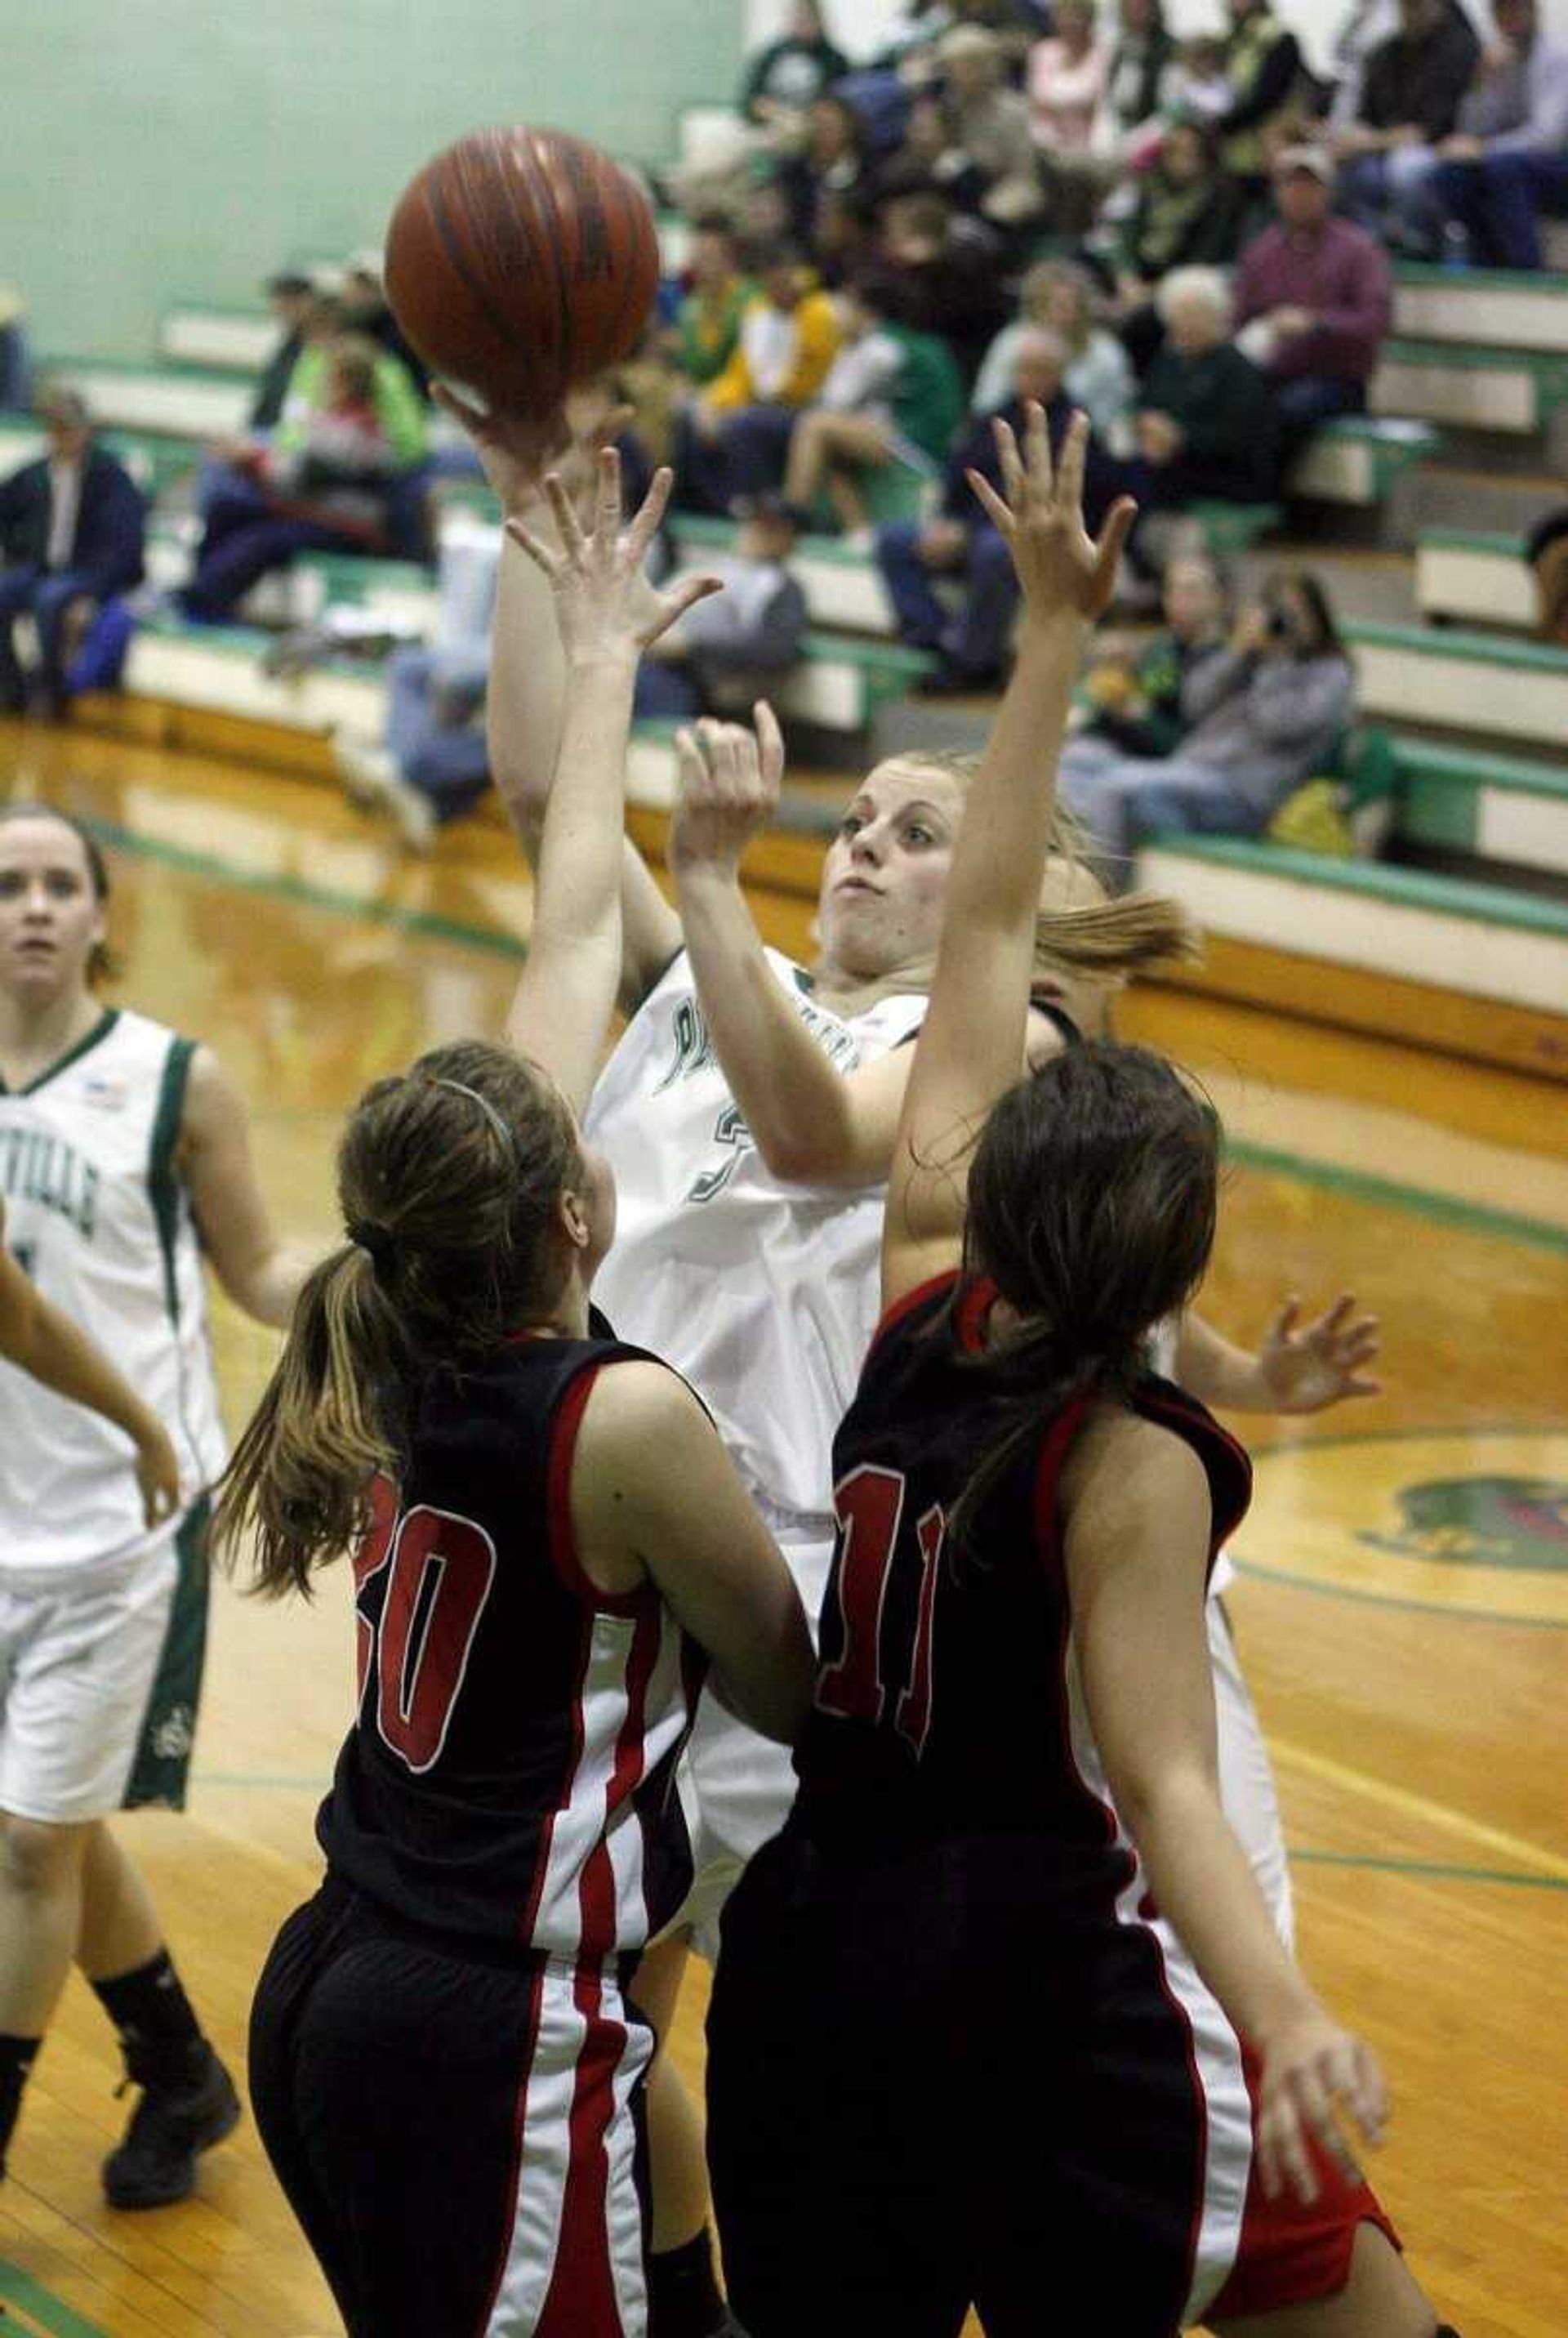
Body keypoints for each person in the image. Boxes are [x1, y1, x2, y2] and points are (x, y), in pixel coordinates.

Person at [703, 410, 1450, 2338]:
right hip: (1021, 1955)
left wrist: (1047, 642)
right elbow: (1165, 1776)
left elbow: (991, 951)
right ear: (1158, 1273)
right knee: (1278, 2252)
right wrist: (1281, 2005)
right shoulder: (1125, 1456)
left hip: (816, 1928)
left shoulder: (912, 1299)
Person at [454, 388, 1180, 2338]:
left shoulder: (1002, 1052)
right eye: (850, 818)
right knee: (603, 2026)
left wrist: (704, 887)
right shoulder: (743, 981)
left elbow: (806, 1135)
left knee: (769, 2062)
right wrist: (544, 546)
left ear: (1006, 880)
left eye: (916, 827)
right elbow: (547, 789)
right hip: (611, 1546)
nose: (859, 842)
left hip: (803, 1608)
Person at [234, 453, 814, 2338]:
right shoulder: (618, 1421)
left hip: (334, 1971)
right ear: (577, 1207)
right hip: (492, 2030)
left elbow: (574, 927)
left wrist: (595, 651)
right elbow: (791, 1673)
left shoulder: (382, 1319)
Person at [0, 801, 303, 2208]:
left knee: (24, 1840)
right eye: (9, 885)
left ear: (106, 916)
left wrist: (393, 1276)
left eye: (63, 884)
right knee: (42, 1819)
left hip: (124, 1512)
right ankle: (177, 2060)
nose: (36, 908)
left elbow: (256, 1273)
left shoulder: (178, 1078)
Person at [1060, 568, 1356, 882]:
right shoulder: (1251, 656)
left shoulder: (1331, 674)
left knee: (1115, 791)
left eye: (1296, 615)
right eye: (1279, 613)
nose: (1287, 626)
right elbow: (1196, 701)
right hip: (1195, 773)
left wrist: (1276, 663)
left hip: (1245, 795)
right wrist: (1238, 650)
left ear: (1318, 617)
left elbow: (1277, 724)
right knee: (1069, 773)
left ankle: (1101, 907)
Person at [876, 328, 1115, 689]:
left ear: (1058, 375)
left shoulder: (1075, 427)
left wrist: (966, 531)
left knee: (995, 551)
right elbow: (959, 475)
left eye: (1038, 370)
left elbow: (1046, 499)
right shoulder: (993, 417)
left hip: (1033, 541)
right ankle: (929, 636)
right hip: (970, 527)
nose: (1028, 378)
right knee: (893, 539)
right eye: (1023, 369)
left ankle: (973, 663)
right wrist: (945, 524)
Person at [779, 272, 965, 535]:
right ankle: (860, 531)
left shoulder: (883, 347)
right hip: (898, 431)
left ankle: (788, 518)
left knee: (814, 426)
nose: (836, 314)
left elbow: (836, 403)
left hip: (919, 443)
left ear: (866, 311)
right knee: (828, 446)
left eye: (844, 305)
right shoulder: (891, 341)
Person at [0, 387, 145, 717]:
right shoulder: (34, 473)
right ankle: (11, 687)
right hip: (41, 567)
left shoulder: (111, 478)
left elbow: (125, 546)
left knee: (50, 600)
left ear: (86, 430)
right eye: (55, 428)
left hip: (87, 573)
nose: (61, 436)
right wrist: (14, 550)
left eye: (68, 428)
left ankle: (52, 692)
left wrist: (95, 594)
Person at [1233, 148, 1393, 446]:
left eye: (1310, 186)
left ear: (1328, 193)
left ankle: (1266, 489)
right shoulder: (1262, 251)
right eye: (1291, 185)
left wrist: (1316, 322)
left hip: (1336, 379)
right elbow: (1239, 316)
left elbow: (1376, 320)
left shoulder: (1358, 250)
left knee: (1287, 411)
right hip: (1272, 370)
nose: (1300, 194)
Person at [674, 246, 841, 514]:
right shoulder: (758, 312)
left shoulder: (820, 313)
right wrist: (713, 401)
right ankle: (707, 506)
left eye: (784, 281)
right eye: (771, 283)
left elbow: (807, 381)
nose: (778, 290)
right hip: (761, 403)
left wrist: (749, 402)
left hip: (807, 407)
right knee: (692, 414)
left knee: (745, 422)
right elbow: (740, 373)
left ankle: (763, 506)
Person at [637, 489, 809, 722]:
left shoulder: (782, 586)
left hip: (684, 675)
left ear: (789, 539)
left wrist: (691, 646)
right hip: (639, 653)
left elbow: (776, 648)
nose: (753, 531)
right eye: (751, 522)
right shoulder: (714, 563)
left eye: (767, 527)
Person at [1125, 266, 1281, 511]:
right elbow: (1146, 404)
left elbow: (1239, 437)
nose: (1186, 323)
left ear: (1217, 316)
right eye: (1180, 315)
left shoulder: (1237, 368)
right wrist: (1147, 425)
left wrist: (1179, 438)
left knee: (1144, 476)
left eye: (1196, 314)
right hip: (1167, 457)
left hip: (1225, 470)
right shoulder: (1168, 361)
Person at [1428, 0, 1568, 267]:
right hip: (1510, 161)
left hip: (1556, 164)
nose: (1508, 18)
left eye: (1515, 9)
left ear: (1533, 11)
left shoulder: (1560, 57)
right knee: (1449, 175)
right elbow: (1472, 129)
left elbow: (1549, 138)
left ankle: (1526, 271)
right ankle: (1484, 263)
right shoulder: (1497, 59)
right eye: (1501, 11)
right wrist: (1481, 82)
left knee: (1503, 168)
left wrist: (1484, 150)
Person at [1331, 0, 1481, 243]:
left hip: (1441, 149)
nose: (1411, 11)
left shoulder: (1459, 49)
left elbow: (1430, 130)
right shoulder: (1385, 52)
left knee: (1405, 169)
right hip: (1385, 147)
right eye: (1406, 6)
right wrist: (1348, 141)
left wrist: (1369, 142)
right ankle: (1367, 245)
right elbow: (1365, 117)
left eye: (1418, 5)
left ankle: (1415, 242)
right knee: (1354, 171)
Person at [1067, 542, 1231, 764]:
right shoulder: (1160, 648)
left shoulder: (1230, 662)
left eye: (1191, 591)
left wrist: (1140, 715)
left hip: (1177, 764)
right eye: (1171, 591)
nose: (1178, 601)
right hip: (1116, 749)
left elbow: (1192, 743)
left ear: (1219, 598)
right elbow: (1105, 699)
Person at [1113, 118, 1254, 374]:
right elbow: (1126, 234)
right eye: (1174, 151)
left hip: (1187, 279)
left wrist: (1151, 291)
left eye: (1190, 152)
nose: (1181, 159)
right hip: (1139, 276)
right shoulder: (1148, 184)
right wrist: (1126, 277)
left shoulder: (1220, 196)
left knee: (1143, 320)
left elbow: (1205, 256)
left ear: (1205, 155)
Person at [971, 259, 1134, 446]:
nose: (1062, 315)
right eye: (1053, 305)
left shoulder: (1105, 353)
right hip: (1017, 438)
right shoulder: (1012, 343)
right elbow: (987, 403)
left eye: (1070, 305)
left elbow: (1115, 415)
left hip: (1087, 445)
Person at [938, 24, 1048, 225]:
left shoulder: (1014, 110)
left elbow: (1024, 176)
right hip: (966, 191)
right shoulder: (950, 109)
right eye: (951, 67)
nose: (956, 74)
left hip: (1010, 191)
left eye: (966, 66)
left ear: (988, 65)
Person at [1218, 0, 1311, 188]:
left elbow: (1268, 97)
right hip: (1236, 158)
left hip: (1271, 158)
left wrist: (1220, 126)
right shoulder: (1234, 43)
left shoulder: (1280, 39)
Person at [668, 219, 755, 390]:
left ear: (730, 259)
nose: (698, 265)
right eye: (696, 257)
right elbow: (686, 364)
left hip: (735, 396)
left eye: (707, 257)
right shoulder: (691, 306)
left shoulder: (751, 301)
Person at [740, 0, 851, 132]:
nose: (801, 22)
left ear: (820, 20)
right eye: (797, 16)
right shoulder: (771, 55)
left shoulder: (834, 60)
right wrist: (770, 112)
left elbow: (837, 105)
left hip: (812, 127)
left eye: (807, 17)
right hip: (770, 123)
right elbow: (749, 100)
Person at [249, 271, 315, 435]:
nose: (280, 307)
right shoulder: (287, 344)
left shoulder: (315, 345)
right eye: (278, 299)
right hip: (267, 430)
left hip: (294, 438)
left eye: (289, 300)